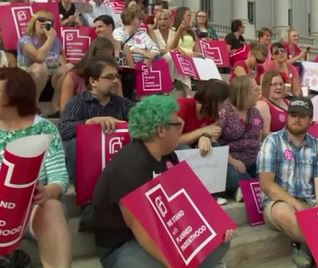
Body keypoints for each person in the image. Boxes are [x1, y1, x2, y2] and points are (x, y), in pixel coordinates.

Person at [92, 94, 235, 268]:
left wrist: (217, 227)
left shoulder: (168, 155)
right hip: (124, 244)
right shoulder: (130, 164)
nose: (181, 129)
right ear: (161, 131)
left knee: (221, 242)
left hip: (163, 230)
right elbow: (138, 226)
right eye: (177, 125)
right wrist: (174, 263)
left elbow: (187, 199)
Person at [0, 67, 71, 267]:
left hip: (31, 209)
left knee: (53, 207)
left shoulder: (45, 129)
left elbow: (59, 178)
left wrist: (47, 192)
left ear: (14, 94)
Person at [257, 96, 318, 268]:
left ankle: (306, 244)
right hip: (279, 203)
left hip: (310, 202)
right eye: (293, 114)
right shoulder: (272, 141)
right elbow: (267, 185)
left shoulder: (317, 145)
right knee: (283, 212)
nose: (296, 119)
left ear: (311, 120)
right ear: (287, 116)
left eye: (302, 115)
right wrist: (296, 204)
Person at [58, 56, 132, 182]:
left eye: (117, 77)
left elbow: (144, 119)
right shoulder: (79, 102)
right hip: (88, 163)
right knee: (73, 144)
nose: (116, 81)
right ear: (93, 82)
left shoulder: (123, 103)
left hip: (115, 159)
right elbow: (63, 130)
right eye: (109, 77)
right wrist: (90, 122)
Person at [17, 10, 72, 115]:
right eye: (41, 20)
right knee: (40, 66)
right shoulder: (25, 40)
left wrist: (62, 66)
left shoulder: (56, 41)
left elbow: (61, 53)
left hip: (51, 75)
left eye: (48, 21)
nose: (44, 23)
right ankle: (34, 104)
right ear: (34, 22)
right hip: (29, 74)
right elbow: (39, 57)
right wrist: (50, 38)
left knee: (69, 67)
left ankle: (55, 106)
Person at [218, 76, 262, 199]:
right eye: (255, 90)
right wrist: (232, 161)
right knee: (234, 175)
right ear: (244, 93)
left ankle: (245, 188)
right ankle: (253, 188)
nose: (259, 92)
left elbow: (258, 139)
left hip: (254, 162)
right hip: (231, 163)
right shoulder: (224, 112)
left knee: (273, 170)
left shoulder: (255, 113)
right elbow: (213, 143)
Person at [60, 37, 125, 113]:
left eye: (109, 58)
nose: (106, 62)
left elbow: (122, 108)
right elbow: (64, 111)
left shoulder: (115, 80)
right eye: (102, 58)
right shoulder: (72, 77)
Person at [177, 79, 230, 156]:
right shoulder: (183, 106)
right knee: (183, 148)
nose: (227, 104)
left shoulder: (213, 113)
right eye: (225, 101)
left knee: (216, 148)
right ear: (215, 102)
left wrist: (205, 136)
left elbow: (215, 134)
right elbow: (174, 140)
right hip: (177, 149)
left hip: (196, 145)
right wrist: (203, 131)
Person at [168, 6, 202, 98]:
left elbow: (198, 51)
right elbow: (171, 47)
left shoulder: (192, 32)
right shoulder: (172, 30)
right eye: (188, 15)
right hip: (180, 57)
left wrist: (195, 54)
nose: (190, 17)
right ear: (181, 16)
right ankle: (188, 93)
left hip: (192, 57)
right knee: (182, 61)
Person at [255, 71, 290, 138]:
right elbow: (265, 134)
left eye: (281, 84)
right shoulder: (262, 105)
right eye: (275, 84)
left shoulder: (287, 102)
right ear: (267, 86)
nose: (279, 87)